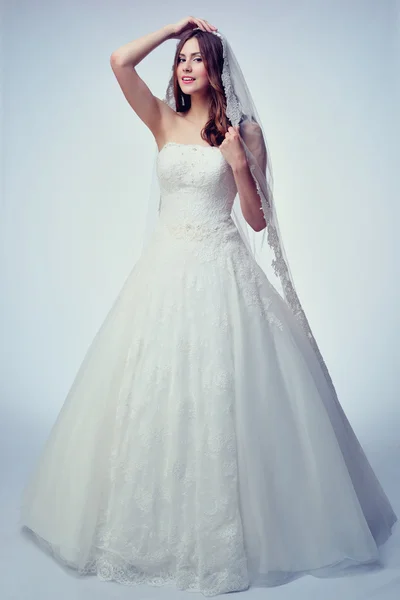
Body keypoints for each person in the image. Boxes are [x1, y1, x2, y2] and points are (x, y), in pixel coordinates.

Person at [19, 16, 397, 597]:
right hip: (163, 275)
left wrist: (240, 165)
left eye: (197, 57)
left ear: (217, 67)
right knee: (155, 396)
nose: (186, 65)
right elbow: (120, 61)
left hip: (223, 269)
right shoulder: (163, 121)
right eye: (182, 58)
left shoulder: (244, 132)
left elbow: (257, 220)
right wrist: (173, 28)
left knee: (229, 397)